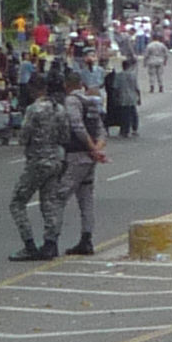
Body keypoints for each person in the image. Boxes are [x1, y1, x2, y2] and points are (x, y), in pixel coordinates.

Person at [7, 71, 72, 261]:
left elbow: (23, 137)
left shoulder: (33, 110)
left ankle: (29, 245)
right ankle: (51, 244)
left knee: (17, 203)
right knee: (49, 203)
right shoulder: (59, 108)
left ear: (33, 89)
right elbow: (65, 136)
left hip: (37, 161)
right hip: (56, 159)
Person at [57, 67, 111, 256]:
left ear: (66, 85)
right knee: (86, 200)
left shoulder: (71, 101)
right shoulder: (92, 102)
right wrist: (97, 150)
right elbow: (102, 130)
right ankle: (86, 239)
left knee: (59, 197)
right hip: (90, 158)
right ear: (81, 84)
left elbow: (77, 127)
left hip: (77, 156)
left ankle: (51, 240)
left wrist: (90, 148)